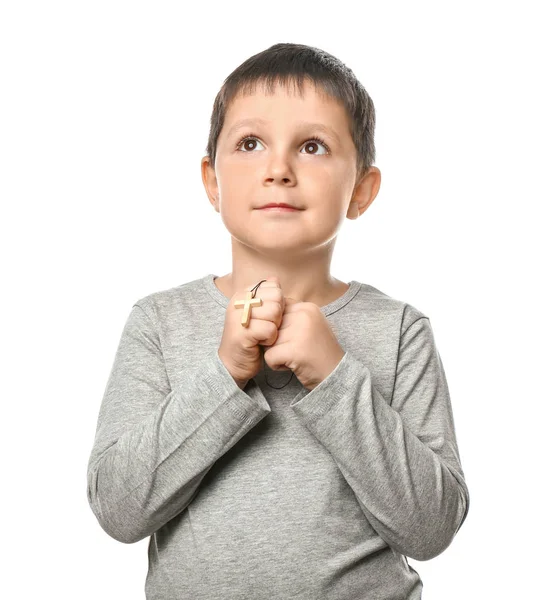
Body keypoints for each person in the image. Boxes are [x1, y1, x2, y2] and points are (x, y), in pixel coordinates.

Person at [86, 42, 470, 600]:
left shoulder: (401, 331)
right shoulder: (159, 323)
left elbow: (432, 528)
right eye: (250, 143)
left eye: (312, 146)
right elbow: (119, 511)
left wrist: (336, 378)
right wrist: (224, 372)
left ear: (361, 189)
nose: (278, 169)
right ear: (212, 181)